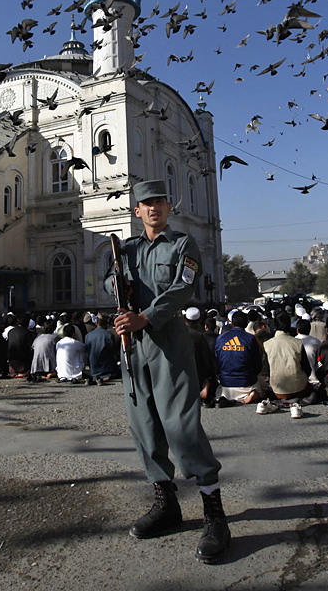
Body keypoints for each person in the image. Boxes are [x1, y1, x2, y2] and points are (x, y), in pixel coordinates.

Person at [106, 180, 228, 564]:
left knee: (181, 425)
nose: (153, 208)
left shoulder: (183, 246)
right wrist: (119, 290)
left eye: (159, 201)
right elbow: (111, 279)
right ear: (137, 211)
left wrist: (146, 316)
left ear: (167, 207)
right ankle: (166, 502)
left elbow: (182, 288)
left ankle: (214, 513)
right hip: (132, 343)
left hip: (168, 341)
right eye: (146, 203)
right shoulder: (126, 250)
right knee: (143, 424)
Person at [214, 309, 263, 406]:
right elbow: (257, 364)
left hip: (225, 383)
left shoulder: (220, 338)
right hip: (247, 381)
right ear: (246, 324)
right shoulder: (251, 338)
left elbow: (217, 362)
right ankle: (252, 394)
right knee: (263, 391)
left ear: (231, 323)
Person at [183, 308, 218, 407]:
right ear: (199, 321)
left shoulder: (176, 334)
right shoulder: (199, 336)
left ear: (184, 319)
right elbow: (207, 361)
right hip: (197, 375)